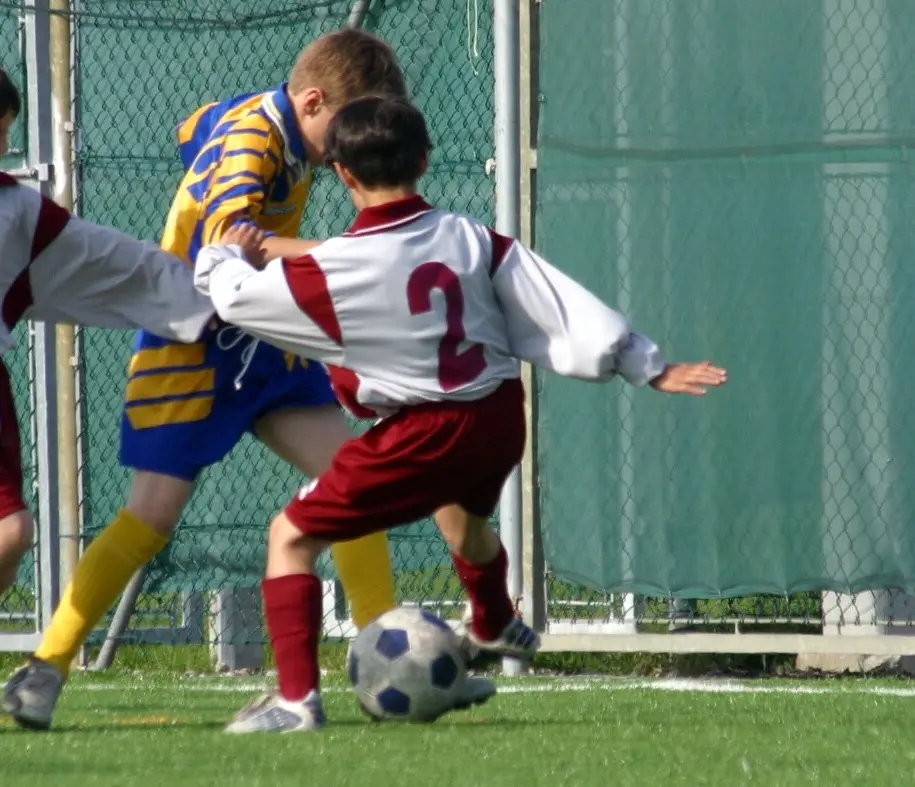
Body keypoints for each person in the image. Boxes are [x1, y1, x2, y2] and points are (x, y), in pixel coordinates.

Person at [192, 95, 729, 732]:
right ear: (424, 159)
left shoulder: (333, 267)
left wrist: (226, 256)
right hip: (497, 418)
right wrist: (645, 363)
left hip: (423, 430)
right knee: (467, 526)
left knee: (290, 536)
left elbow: (236, 301)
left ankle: (297, 701)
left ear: (343, 175)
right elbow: (557, 304)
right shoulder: (471, 236)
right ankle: (494, 619)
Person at [3, 30, 432, 731]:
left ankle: (385, 655)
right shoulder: (253, 140)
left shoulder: (267, 125)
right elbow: (233, 229)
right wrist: (355, 255)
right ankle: (45, 667)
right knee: (151, 515)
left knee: (353, 481)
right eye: (347, 129)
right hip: (191, 339)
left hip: (263, 339)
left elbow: (191, 126)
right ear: (313, 101)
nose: (351, 149)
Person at [0, 69, 215, 608]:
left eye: (6, 131)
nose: (4, 146)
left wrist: (232, 291)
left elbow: (125, 266)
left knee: (12, 533)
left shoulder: (18, 215)